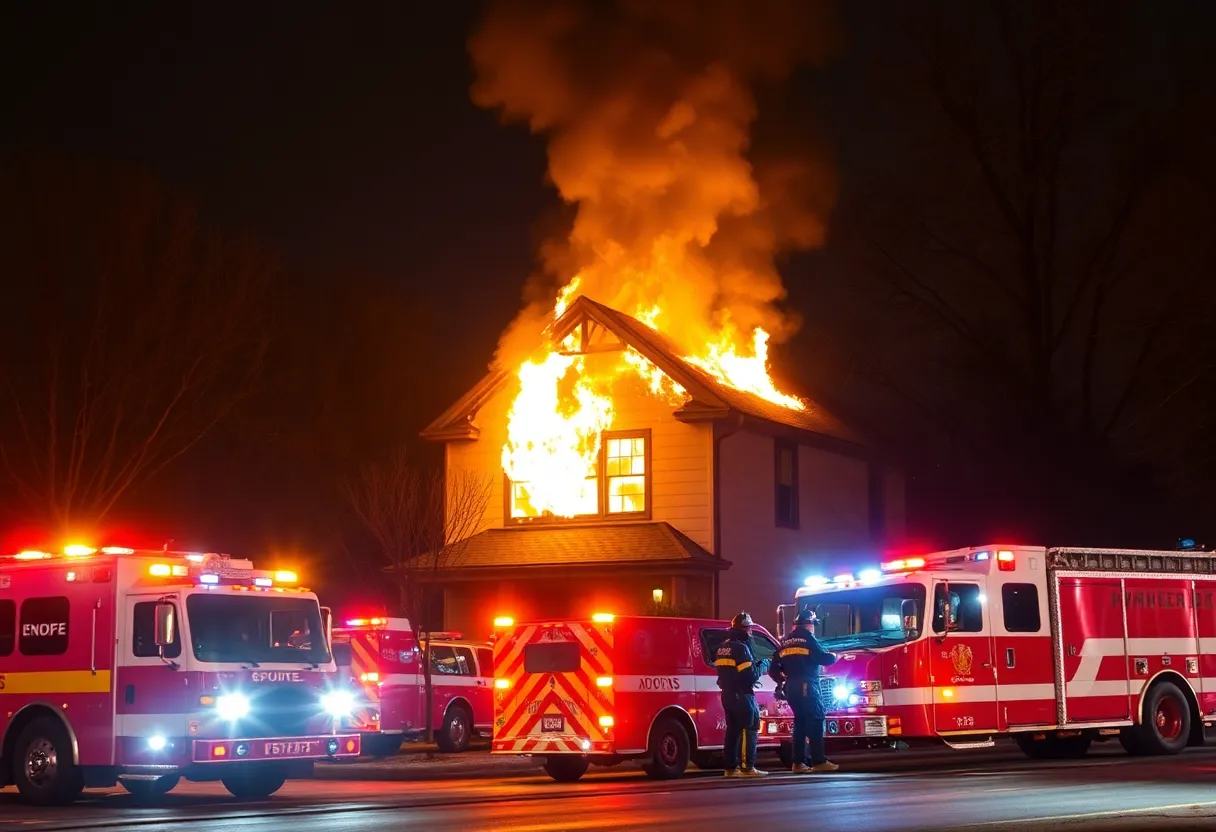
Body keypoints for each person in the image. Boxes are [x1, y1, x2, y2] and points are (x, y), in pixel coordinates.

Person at [769, 608, 840, 772]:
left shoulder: (786, 641)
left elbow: (773, 669)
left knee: (800, 722)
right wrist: (834, 656)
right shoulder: (808, 638)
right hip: (807, 685)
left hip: (791, 687)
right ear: (809, 624)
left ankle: (798, 763)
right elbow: (823, 658)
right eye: (813, 624)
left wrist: (782, 680)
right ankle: (819, 761)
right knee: (816, 719)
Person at [715, 611, 770, 777]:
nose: (751, 632)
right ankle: (747, 767)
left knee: (733, 730)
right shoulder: (742, 648)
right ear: (745, 629)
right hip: (742, 694)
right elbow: (750, 676)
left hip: (727, 694)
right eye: (750, 628)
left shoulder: (723, 647)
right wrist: (763, 666)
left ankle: (730, 768)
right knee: (750, 727)